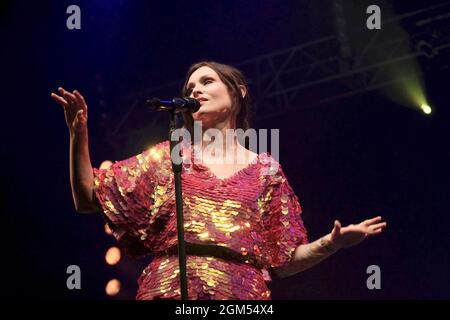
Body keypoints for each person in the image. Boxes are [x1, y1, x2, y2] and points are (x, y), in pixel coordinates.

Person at [51, 61, 387, 300]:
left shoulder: (266, 171)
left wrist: (333, 243)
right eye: (190, 87)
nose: (196, 89)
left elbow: (283, 262)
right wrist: (77, 134)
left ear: (238, 91)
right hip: (167, 289)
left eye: (207, 81)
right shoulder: (170, 156)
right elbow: (87, 198)